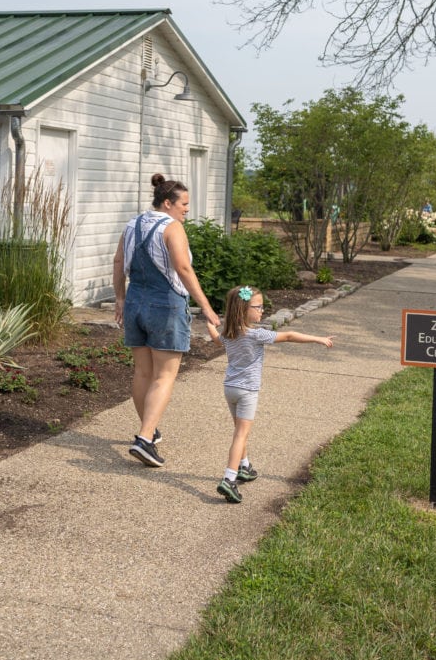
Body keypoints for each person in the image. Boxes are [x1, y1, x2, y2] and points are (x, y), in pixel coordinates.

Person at [113, 173, 220, 468]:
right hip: (165, 306)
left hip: (135, 302)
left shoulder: (132, 224)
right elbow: (183, 269)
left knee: (142, 374)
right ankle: (145, 438)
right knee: (164, 376)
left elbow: (119, 263)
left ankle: (148, 430)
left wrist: (120, 299)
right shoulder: (172, 228)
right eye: (184, 204)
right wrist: (207, 307)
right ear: (167, 203)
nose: (187, 209)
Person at [207, 285, 333, 503]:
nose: (262, 311)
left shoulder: (229, 332)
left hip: (230, 388)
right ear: (244, 309)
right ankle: (229, 478)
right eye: (258, 307)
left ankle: (244, 466)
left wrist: (210, 325)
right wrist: (318, 338)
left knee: (239, 430)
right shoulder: (257, 334)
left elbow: (217, 341)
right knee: (241, 435)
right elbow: (290, 335)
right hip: (247, 391)